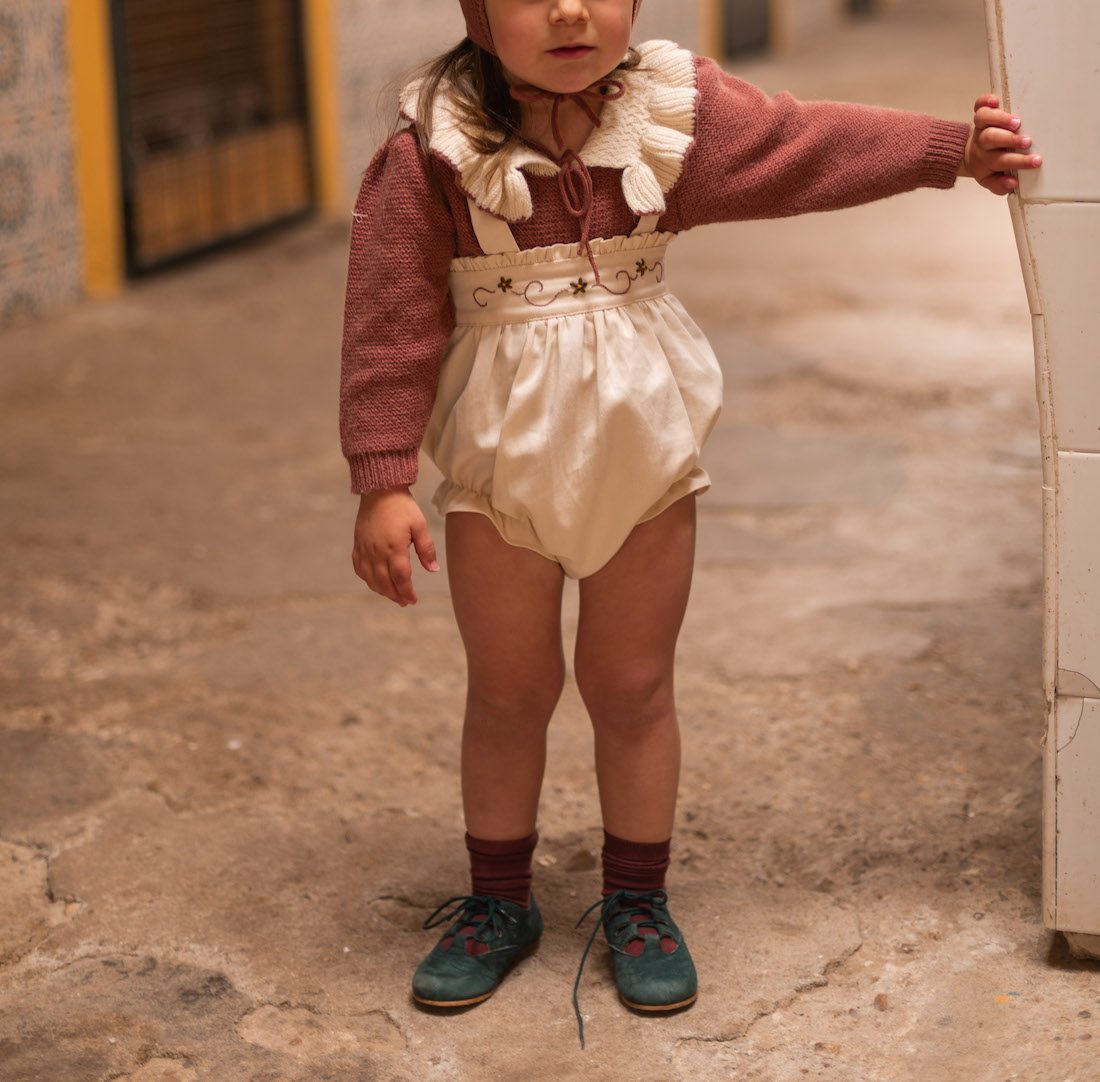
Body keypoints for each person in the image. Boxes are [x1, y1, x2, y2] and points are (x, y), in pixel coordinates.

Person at [338, 0, 1042, 1046]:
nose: (571, 9)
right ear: (480, 15)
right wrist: (382, 477)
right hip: (497, 458)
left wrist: (947, 148)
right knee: (509, 686)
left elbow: (805, 144)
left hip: (643, 448)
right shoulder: (433, 148)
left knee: (630, 685)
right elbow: (390, 318)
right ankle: (499, 895)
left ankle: (635, 896)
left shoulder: (671, 117)